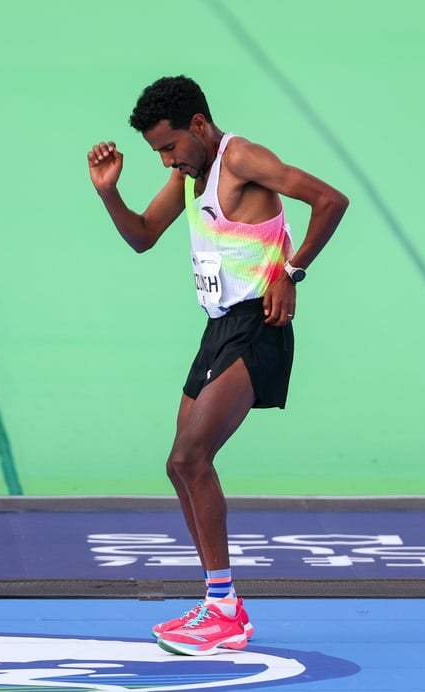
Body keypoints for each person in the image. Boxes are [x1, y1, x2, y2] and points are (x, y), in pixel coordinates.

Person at [87, 76, 348, 656]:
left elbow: (331, 201)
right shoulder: (187, 175)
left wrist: (292, 271)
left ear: (199, 126)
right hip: (218, 328)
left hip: (259, 325)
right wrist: (109, 192)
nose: (166, 159)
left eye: (171, 146)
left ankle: (225, 610)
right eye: (158, 150)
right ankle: (217, 602)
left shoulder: (243, 159)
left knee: (191, 456)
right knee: (177, 467)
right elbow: (142, 237)